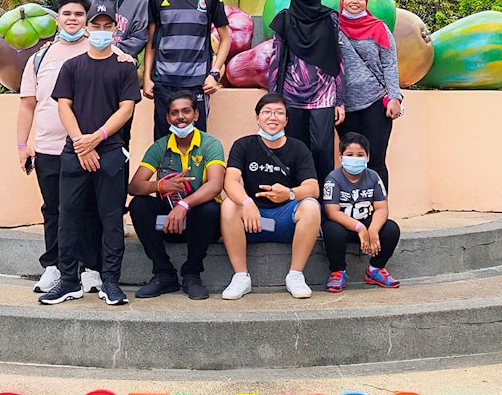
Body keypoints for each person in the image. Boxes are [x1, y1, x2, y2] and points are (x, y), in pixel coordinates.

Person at [16, 0, 129, 295]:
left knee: (91, 210)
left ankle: (91, 268)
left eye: (79, 14)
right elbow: (27, 105)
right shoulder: (40, 58)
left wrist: (86, 142)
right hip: (50, 147)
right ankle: (55, 267)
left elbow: (122, 94)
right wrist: (21, 144)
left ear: (87, 22)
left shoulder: (107, 52)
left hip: (89, 147)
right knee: (55, 209)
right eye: (67, 14)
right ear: (57, 18)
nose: (72, 19)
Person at [42, 1, 141, 306]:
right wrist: (79, 141)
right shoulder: (72, 66)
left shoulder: (125, 67)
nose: (100, 31)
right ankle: (69, 281)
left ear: (115, 30)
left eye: (106, 26)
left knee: (111, 219)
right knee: (67, 217)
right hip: (74, 151)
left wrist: (96, 138)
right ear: (87, 29)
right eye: (95, 26)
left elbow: (126, 108)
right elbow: (63, 105)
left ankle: (110, 281)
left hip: (110, 151)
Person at [220, 93, 320, 300]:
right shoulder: (243, 145)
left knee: (310, 205)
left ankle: (295, 275)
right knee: (229, 205)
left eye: (279, 113)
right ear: (257, 117)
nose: (272, 117)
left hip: (285, 220)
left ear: (286, 120)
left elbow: (312, 187)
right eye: (266, 112)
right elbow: (230, 181)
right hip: (252, 221)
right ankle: (241, 276)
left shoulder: (299, 148)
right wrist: (247, 202)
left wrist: (290, 193)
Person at [127, 90, 226, 300]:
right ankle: (164, 274)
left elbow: (216, 185)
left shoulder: (210, 144)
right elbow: (135, 186)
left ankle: (192, 273)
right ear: (168, 118)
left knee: (210, 209)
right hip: (168, 222)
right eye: (174, 113)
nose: (180, 117)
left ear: (196, 115)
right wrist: (160, 186)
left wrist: (185, 206)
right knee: (139, 205)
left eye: (186, 111)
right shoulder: (160, 146)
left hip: (201, 223)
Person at [143, 0, 231, 140]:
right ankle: (166, 174)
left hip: (197, 82)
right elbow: (151, 43)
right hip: (164, 82)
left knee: (196, 141)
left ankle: (195, 174)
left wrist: (214, 74)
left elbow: (225, 39)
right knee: (164, 142)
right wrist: (148, 78)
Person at [268, 0, 344, 184]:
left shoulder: (330, 18)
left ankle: (323, 203)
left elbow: (338, 60)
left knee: (322, 148)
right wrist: (273, 100)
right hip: (292, 94)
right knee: (295, 149)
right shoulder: (284, 18)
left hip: (324, 94)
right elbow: (276, 60)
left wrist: (340, 100)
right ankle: (298, 200)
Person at [336, 0, 403, 189]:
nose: (354, 2)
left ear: (366, 1)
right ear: (342, 0)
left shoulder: (379, 28)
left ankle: (379, 211)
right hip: (345, 106)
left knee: (375, 160)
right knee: (350, 161)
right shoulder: (333, 28)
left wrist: (394, 97)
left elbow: (390, 63)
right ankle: (351, 211)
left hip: (375, 102)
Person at [321, 132, 401, 292]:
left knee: (392, 229)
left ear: (368, 157)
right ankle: (338, 271)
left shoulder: (373, 177)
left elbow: (381, 208)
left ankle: (375, 269)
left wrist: (373, 230)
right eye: (350, 154)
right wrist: (360, 228)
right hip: (343, 225)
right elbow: (332, 211)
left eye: (360, 155)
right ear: (340, 156)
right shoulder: (333, 178)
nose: (355, 158)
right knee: (331, 230)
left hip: (365, 222)